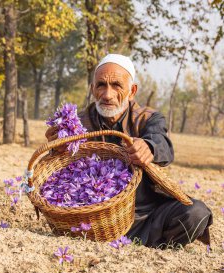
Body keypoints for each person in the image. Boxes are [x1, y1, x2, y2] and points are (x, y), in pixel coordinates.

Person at [46, 54, 213, 248]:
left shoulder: (147, 118)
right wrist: (56, 149)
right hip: (95, 219)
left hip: (145, 215)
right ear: (92, 89)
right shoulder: (78, 124)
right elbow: (60, 170)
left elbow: (163, 144)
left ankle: (149, 244)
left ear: (132, 91)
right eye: (101, 85)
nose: (107, 95)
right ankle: (113, 241)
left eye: (116, 85)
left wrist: (149, 147)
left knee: (196, 213)